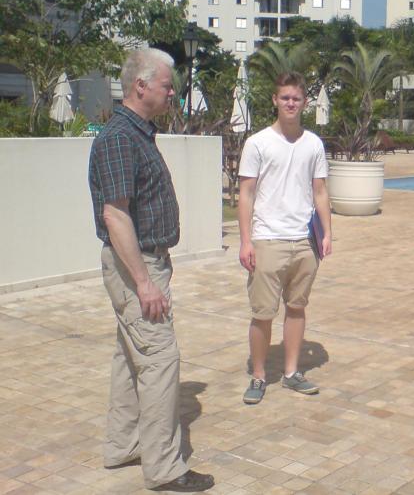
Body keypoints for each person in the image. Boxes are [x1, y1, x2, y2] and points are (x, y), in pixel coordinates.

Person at [88, 48, 214, 492]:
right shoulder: (121, 138)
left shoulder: (136, 133)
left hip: (145, 261)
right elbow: (115, 215)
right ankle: (164, 469)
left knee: (131, 357)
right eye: (166, 85)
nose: (172, 92)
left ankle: (123, 445)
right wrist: (144, 282)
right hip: (136, 266)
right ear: (140, 86)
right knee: (161, 360)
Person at [238, 71, 332, 405]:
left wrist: (327, 233)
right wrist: (246, 241)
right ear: (275, 100)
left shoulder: (314, 144)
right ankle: (259, 375)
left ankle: (291, 373)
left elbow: (320, 191)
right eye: (285, 98)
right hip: (267, 240)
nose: (291, 103)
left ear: (305, 103)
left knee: (297, 307)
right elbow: (246, 194)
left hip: (304, 241)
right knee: (263, 313)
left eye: (296, 98)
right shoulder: (258, 143)